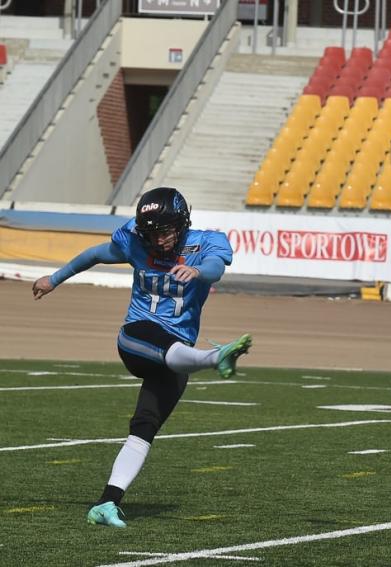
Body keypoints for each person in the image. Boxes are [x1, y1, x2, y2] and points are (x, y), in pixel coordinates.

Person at [32, 187, 252, 528]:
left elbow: (214, 267)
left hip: (177, 352)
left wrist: (197, 272)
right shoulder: (135, 242)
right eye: (151, 232)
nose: (157, 239)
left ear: (181, 224)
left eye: (164, 231)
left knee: (143, 428)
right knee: (166, 349)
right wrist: (54, 279)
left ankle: (106, 503)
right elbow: (94, 254)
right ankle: (214, 359)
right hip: (136, 338)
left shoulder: (205, 243)